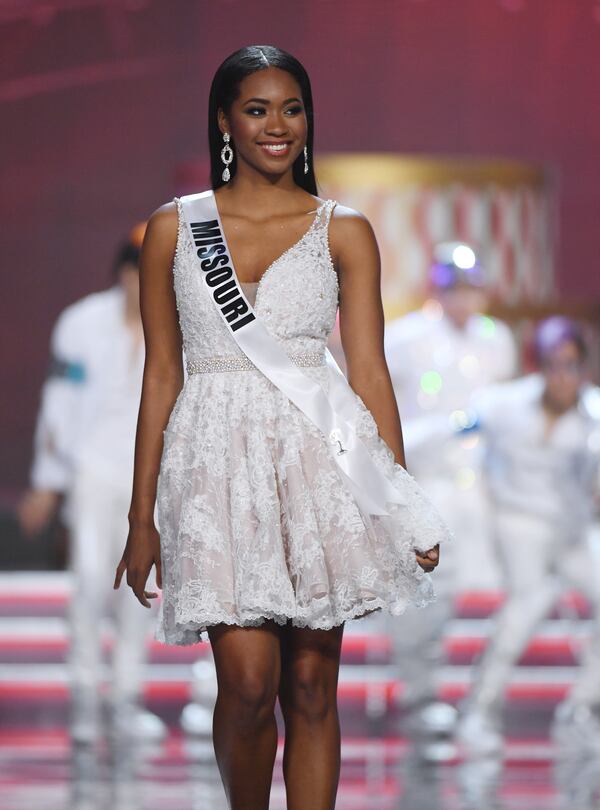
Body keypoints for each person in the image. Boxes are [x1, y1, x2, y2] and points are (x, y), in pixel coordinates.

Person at [114, 45, 449, 810]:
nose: (277, 126)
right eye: (258, 109)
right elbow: (161, 374)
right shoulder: (174, 230)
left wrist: (400, 502)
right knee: (246, 686)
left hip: (317, 464)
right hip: (214, 469)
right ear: (225, 121)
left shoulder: (345, 229)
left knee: (308, 684)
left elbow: (368, 374)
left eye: (291, 109)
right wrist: (142, 519)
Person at [18, 229, 167, 746]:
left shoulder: (175, 327)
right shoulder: (81, 324)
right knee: (87, 579)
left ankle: (126, 697)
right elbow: (58, 407)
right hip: (93, 470)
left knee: (140, 590)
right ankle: (84, 693)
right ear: (122, 272)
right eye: (136, 272)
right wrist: (47, 482)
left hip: (150, 478)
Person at [382, 244, 517, 756]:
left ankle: (478, 704)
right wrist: (448, 430)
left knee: (487, 597)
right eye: (454, 287)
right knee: (427, 597)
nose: (464, 298)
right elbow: (386, 418)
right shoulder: (406, 338)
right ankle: (421, 695)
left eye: (471, 287)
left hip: (483, 489)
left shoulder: (495, 339)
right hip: (427, 482)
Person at [456, 317, 600, 757]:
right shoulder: (503, 405)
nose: (562, 375)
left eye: (571, 365)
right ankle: (480, 709)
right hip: (517, 523)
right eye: (553, 364)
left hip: (572, 530)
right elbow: (452, 431)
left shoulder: (595, 415)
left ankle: (584, 705)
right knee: (528, 604)